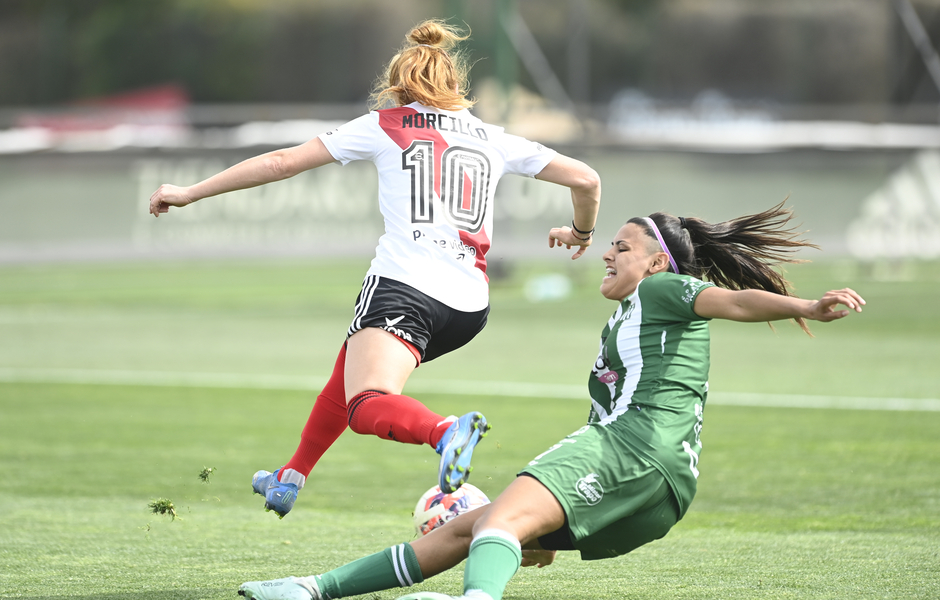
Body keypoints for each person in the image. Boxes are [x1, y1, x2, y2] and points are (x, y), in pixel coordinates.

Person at [235, 202, 865, 600]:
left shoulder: (666, 291)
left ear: (656, 263)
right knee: (471, 529)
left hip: (636, 452)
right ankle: (313, 588)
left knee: (496, 522)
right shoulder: (629, 319)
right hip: (659, 489)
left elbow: (730, 301)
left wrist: (805, 306)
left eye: (623, 244)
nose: (609, 251)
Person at [147, 19, 601, 518]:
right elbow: (586, 178)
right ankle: (290, 477)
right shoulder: (491, 136)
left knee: (366, 404)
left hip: (406, 288)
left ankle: (446, 431)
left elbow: (281, 162)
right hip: (469, 306)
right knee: (350, 372)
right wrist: (580, 234)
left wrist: (190, 192)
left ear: (398, 85)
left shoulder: (385, 123)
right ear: (455, 85)